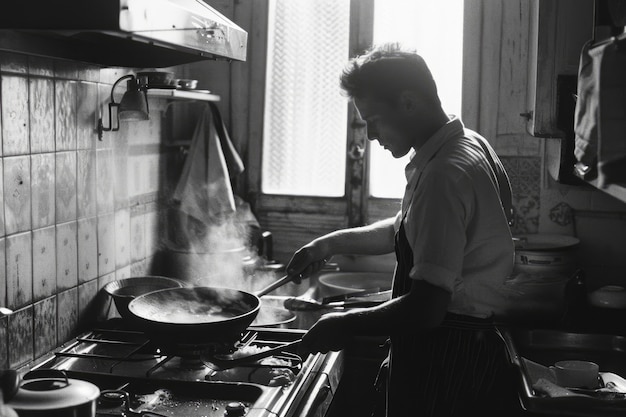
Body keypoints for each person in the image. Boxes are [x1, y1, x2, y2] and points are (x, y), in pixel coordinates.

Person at [286, 43, 519, 417]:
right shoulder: (467, 145)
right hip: (462, 345)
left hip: (447, 354)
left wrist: (343, 324)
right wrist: (324, 245)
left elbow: (426, 309)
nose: (371, 135)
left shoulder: (443, 175)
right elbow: (403, 230)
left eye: (373, 120)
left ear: (408, 102)